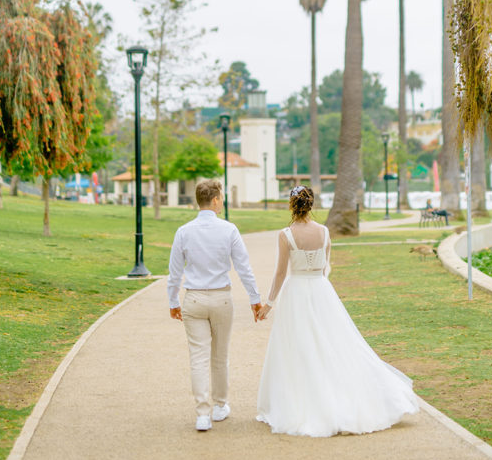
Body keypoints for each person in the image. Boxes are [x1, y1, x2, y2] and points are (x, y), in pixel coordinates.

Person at [256, 186, 419, 437]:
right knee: (330, 341)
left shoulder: (285, 234)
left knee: (298, 346)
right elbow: (325, 268)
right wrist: (317, 281)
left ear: (292, 206)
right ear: (311, 205)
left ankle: (302, 399)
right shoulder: (323, 232)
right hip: (321, 290)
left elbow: (280, 272)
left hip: (296, 291)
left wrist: (269, 303)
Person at [168, 179, 262, 431]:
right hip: (221, 299)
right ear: (216, 200)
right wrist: (255, 298)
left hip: (194, 299)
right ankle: (220, 405)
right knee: (220, 356)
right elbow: (243, 267)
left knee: (198, 358)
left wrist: (172, 301)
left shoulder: (184, 231)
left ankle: (202, 413)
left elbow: (174, 272)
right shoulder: (229, 230)